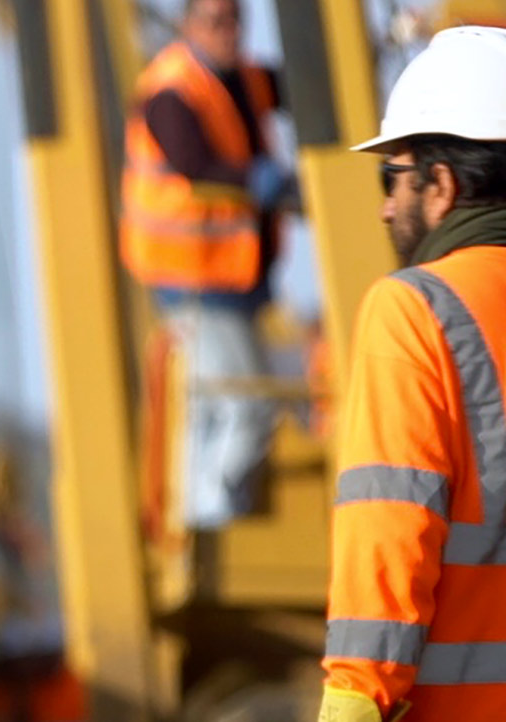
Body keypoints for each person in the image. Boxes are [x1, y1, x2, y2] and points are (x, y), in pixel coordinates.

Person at [293, 26, 506, 722]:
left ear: (440, 184)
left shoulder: (416, 311)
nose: (384, 209)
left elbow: (388, 543)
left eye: (394, 177)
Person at [121, 0, 293, 530]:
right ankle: (212, 519)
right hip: (194, 281)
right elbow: (192, 161)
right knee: (247, 404)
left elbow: (297, 85)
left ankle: (199, 514)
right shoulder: (172, 88)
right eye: (215, 22)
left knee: (209, 408)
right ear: (188, 25)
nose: (228, 33)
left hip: (230, 281)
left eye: (235, 21)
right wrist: (261, 182)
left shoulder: (243, 78)